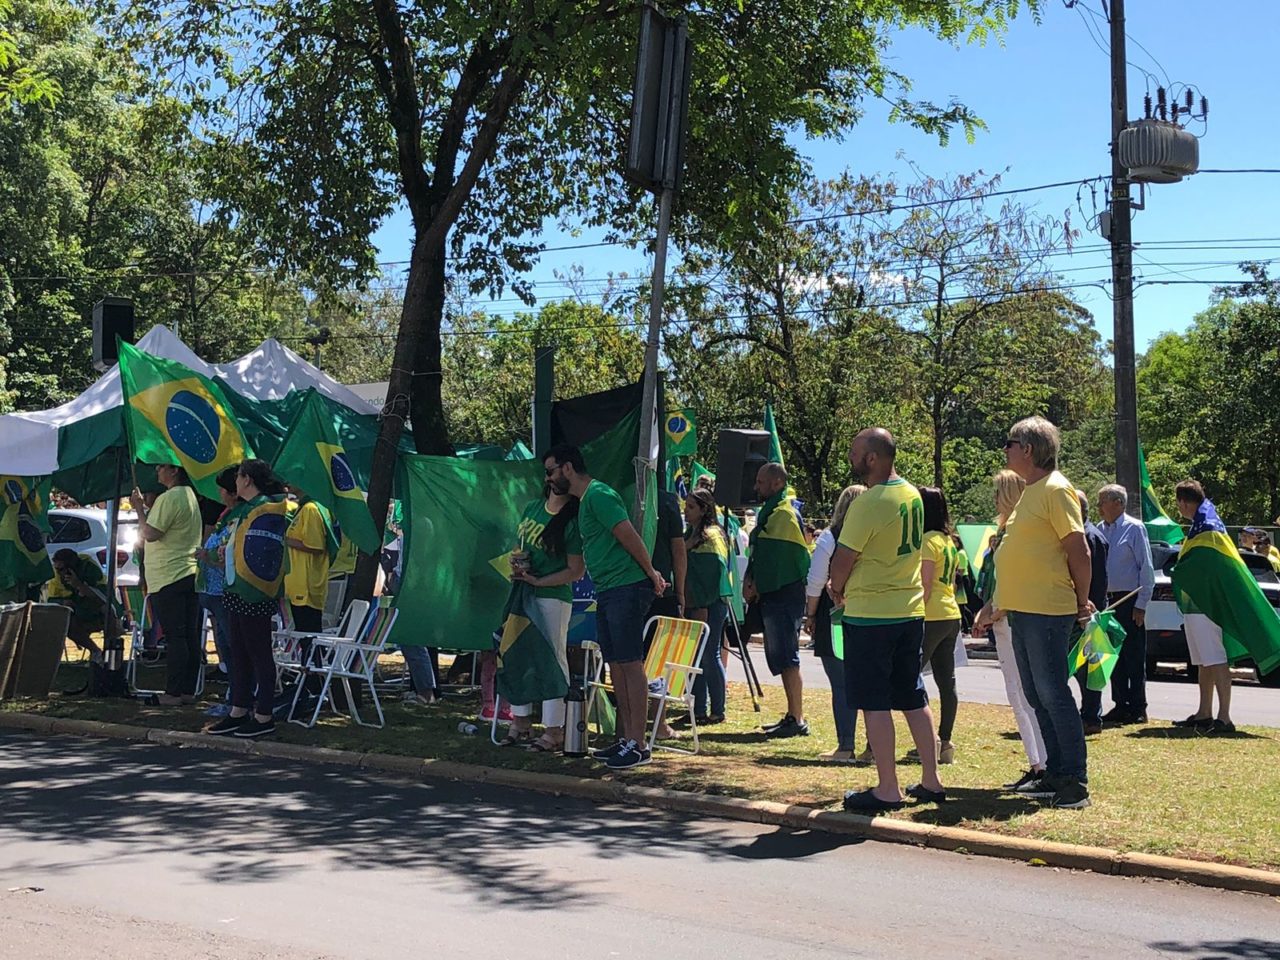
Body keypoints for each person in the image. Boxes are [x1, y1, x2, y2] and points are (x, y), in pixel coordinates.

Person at [975, 416, 1093, 810]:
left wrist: (1082, 602)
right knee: (1036, 695)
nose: (1005, 450)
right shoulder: (1031, 491)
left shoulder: (1057, 490)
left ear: (1027, 449)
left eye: (1010, 443)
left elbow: (1079, 549)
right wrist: (995, 604)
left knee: (1053, 693)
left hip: (1046, 610)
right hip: (1022, 610)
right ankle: (1054, 774)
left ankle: (1074, 781)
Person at [828, 428, 945, 812]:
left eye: (855, 451)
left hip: (871, 614)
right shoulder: (911, 493)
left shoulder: (868, 503)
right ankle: (931, 779)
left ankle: (888, 788)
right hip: (909, 610)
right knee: (912, 694)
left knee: (873, 702)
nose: (850, 457)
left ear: (873, 458)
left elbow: (844, 558)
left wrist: (836, 587)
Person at [544, 444, 666, 770]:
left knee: (629, 663)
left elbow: (627, 535)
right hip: (609, 590)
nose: (549, 479)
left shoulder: (599, 495)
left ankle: (639, 745)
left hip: (626, 587)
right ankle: (626, 739)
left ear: (568, 468)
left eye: (551, 471)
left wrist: (651, 572)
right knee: (615, 665)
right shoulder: (583, 503)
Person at [206, 460, 290, 738]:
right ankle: (238, 709)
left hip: (254, 589)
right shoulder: (244, 510)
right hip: (235, 586)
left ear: (248, 480)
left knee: (259, 652)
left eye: (239, 477)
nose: (235, 483)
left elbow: (263, 548)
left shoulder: (266, 508)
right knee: (238, 652)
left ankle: (264, 714)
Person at [974, 469, 1046, 789]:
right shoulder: (1004, 530)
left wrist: (993, 611)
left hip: (1015, 620)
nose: (993, 499)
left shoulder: (1018, 530)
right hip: (1004, 619)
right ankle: (1037, 763)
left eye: (997, 492)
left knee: (1025, 695)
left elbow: (1017, 579)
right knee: (1017, 695)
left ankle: (1043, 765)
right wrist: (987, 610)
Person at [505, 476, 584, 752]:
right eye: (549, 471)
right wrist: (517, 563)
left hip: (553, 596)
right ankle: (520, 721)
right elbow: (522, 546)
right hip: (524, 591)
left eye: (558, 471)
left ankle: (554, 729)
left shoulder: (571, 521)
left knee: (552, 657)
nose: (552, 477)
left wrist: (541, 581)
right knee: (519, 651)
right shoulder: (532, 508)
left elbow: (576, 570)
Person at [745, 462, 811, 738]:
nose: (756, 487)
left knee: (788, 656)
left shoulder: (783, 513)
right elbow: (762, 551)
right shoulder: (770, 513)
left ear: (776, 483)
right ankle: (791, 715)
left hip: (784, 592)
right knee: (782, 655)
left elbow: (783, 558)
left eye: (760, 482)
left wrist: (759, 583)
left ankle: (797, 718)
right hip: (773, 593)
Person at [803, 484, 865, 762]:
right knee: (868, 682)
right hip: (868, 609)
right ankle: (874, 747)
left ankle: (845, 745)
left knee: (841, 684)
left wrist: (811, 614)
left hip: (835, 612)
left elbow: (816, 580)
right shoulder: (873, 535)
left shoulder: (829, 538)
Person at [136, 464, 203, 706]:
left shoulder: (170, 497)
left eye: (161, 467)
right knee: (190, 635)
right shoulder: (190, 495)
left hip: (168, 574)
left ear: (174, 471)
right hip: (188, 571)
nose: (157, 472)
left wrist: (139, 510)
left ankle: (173, 693)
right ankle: (187, 690)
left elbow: (151, 533)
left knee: (175, 636)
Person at [1171, 481, 1234, 732]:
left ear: (1184, 502)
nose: (1179, 509)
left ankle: (1225, 717)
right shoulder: (1201, 522)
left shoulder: (1207, 525)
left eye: (1178, 504)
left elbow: (1207, 565)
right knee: (1203, 661)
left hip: (1207, 602)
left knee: (1216, 659)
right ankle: (1204, 712)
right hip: (1197, 604)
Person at [1096, 484, 1155, 724]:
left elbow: (1146, 568)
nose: (1099, 507)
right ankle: (1120, 704)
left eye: (1103, 502)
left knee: (1133, 654)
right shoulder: (1100, 530)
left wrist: (1141, 604)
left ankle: (1138, 706)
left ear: (1118, 503)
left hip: (1130, 599)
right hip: (1107, 601)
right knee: (1113, 655)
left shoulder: (1134, 528)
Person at [920, 486, 962, 765]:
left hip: (930, 615)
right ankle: (945, 741)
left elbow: (923, 585)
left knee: (908, 677)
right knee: (947, 681)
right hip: (951, 613)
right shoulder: (949, 542)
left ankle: (926, 739)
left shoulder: (927, 541)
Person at [684, 488, 732, 726]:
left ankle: (718, 709)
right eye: (686, 505)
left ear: (704, 509)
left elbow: (713, 573)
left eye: (691, 507)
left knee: (709, 655)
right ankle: (698, 709)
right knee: (695, 657)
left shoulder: (712, 535)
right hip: (695, 602)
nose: (686, 510)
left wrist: (703, 603)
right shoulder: (690, 533)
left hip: (710, 603)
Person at [196, 468, 240, 709]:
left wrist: (207, 554)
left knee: (233, 643)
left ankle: (241, 695)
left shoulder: (238, 517)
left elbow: (228, 553)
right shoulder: (226, 514)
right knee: (223, 642)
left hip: (225, 590)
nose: (219, 493)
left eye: (222, 489)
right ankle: (234, 691)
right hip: (211, 591)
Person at [1074, 490, 1109, 736]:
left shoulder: (1087, 536)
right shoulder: (1090, 533)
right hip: (1088, 606)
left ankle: (1091, 717)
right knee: (1083, 666)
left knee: (1087, 667)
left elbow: (1094, 577)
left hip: (1088, 610)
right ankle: (1089, 713)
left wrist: (1087, 606)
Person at [284, 485, 335, 637]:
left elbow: (316, 546)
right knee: (302, 634)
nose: (287, 481)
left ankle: (313, 661)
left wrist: (286, 540)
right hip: (298, 583)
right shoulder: (303, 507)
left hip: (307, 585)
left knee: (309, 635)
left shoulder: (311, 509)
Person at [49, 548, 106, 659]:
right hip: (74, 612)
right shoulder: (56, 576)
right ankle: (95, 651)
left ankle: (107, 653)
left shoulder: (90, 569)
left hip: (96, 611)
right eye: (57, 568)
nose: (59, 572)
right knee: (66, 623)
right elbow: (51, 600)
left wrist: (78, 585)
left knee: (107, 616)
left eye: (61, 569)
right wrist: (62, 602)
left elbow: (101, 598)